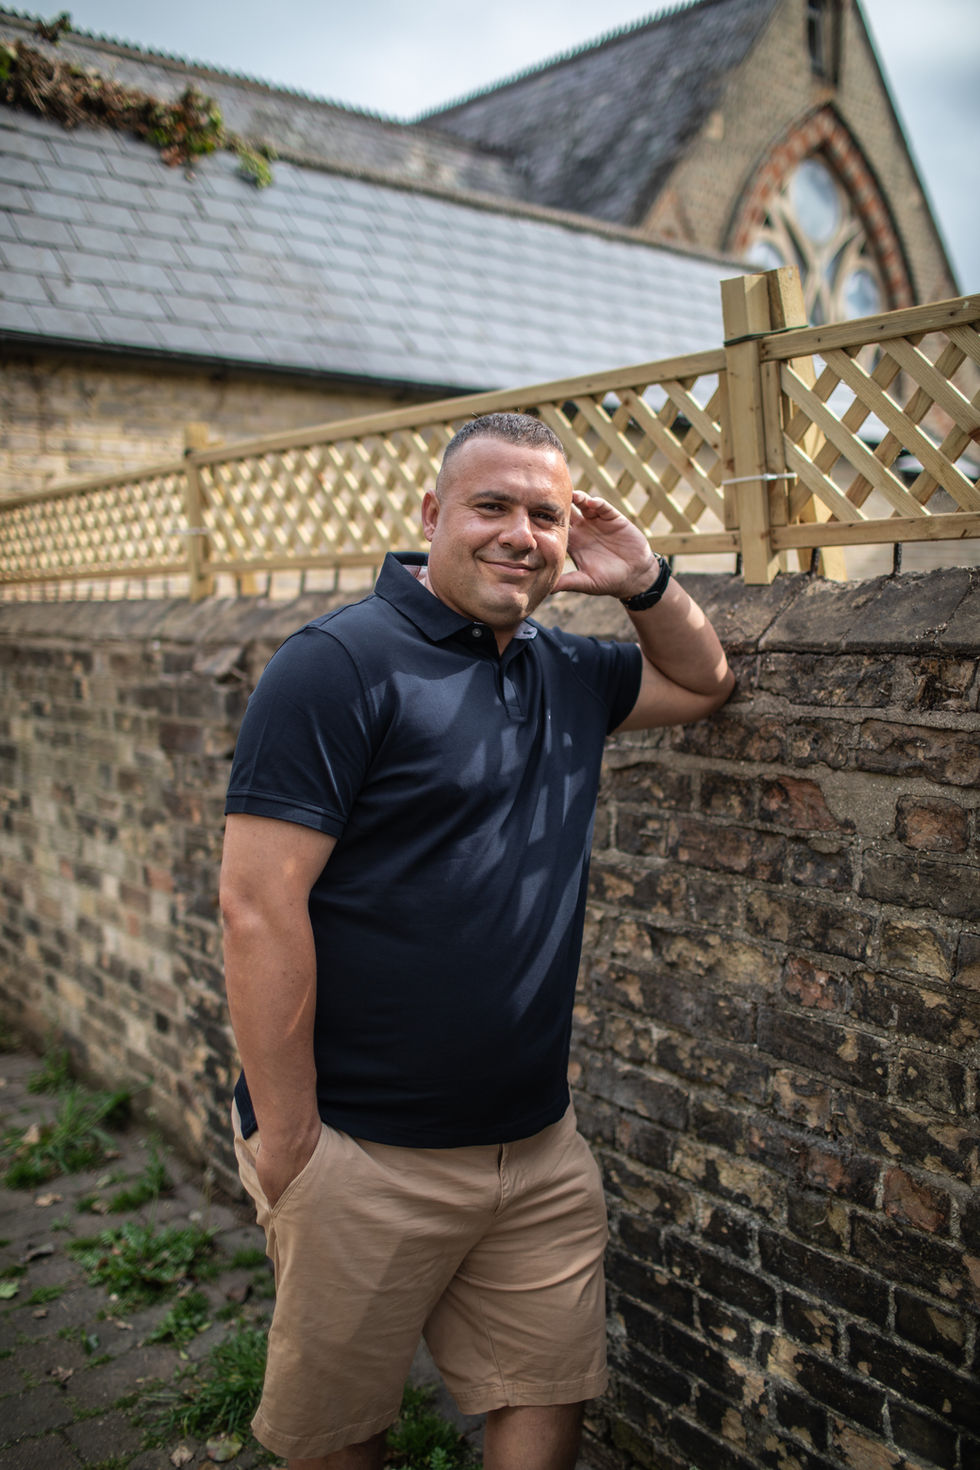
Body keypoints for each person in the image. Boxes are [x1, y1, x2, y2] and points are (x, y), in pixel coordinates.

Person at [220, 412, 734, 1470]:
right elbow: (257, 907)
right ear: (430, 516)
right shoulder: (336, 665)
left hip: (535, 1146)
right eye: (491, 506)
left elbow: (700, 682)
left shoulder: (565, 669)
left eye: (543, 516)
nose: (519, 533)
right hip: (362, 1148)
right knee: (338, 1431)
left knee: (544, 1397)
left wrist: (640, 579)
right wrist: (291, 1143)